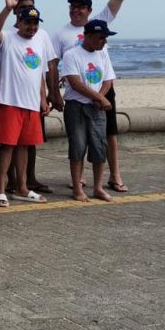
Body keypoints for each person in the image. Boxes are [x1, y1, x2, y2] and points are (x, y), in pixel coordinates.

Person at [51, 0, 131, 193]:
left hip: (102, 88)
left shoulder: (99, 22)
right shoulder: (60, 34)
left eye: (81, 7)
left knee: (108, 132)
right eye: (73, 7)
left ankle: (114, 175)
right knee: (79, 140)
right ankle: (79, 182)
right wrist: (53, 93)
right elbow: (53, 66)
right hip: (77, 92)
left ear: (89, 10)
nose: (76, 11)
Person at [0, 0, 51, 208]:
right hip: (10, 102)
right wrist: (7, 8)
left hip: (31, 104)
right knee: (7, 146)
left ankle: (23, 187)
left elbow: (40, 74)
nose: (32, 28)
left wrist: (43, 98)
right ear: (19, 22)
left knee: (24, 146)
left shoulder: (40, 41)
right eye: (28, 23)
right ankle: (1, 190)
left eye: (35, 24)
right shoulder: (7, 38)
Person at [60, 20, 117, 203]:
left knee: (99, 147)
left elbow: (108, 80)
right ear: (89, 36)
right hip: (76, 106)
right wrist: (99, 98)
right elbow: (75, 83)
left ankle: (98, 187)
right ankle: (77, 187)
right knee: (77, 147)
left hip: (97, 107)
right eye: (101, 38)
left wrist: (99, 97)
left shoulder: (103, 55)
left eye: (105, 38)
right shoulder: (72, 55)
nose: (104, 42)